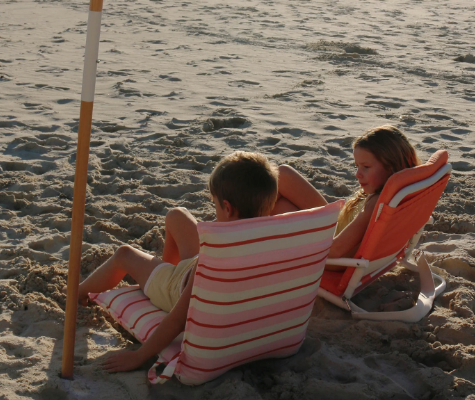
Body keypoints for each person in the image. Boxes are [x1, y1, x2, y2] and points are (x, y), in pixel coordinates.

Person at [80, 151, 279, 373]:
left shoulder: (213, 261)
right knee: (177, 215)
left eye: (215, 206)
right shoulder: (271, 242)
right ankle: (163, 269)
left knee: (124, 254)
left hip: (177, 287)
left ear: (228, 208)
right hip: (194, 267)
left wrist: (138, 357)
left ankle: (79, 292)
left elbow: (177, 321)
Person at [274, 125, 432, 267]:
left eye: (366, 167)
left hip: (333, 255)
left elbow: (335, 251)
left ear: (391, 167)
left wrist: (288, 247)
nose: (357, 174)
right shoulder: (401, 191)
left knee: (276, 203)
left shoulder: (377, 203)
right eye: (357, 166)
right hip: (337, 228)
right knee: (282, 176)